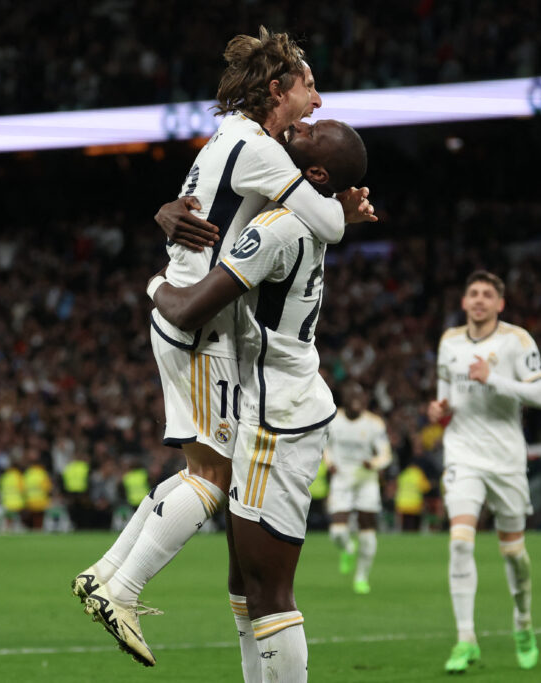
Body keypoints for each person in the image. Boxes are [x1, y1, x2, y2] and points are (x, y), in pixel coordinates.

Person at [73, 27, 375, 668]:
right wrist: (340, 207)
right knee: (210, 479)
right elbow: (324, 225)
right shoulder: (264, 155)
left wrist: (165, 223)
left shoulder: (231, 142)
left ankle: (107, 574)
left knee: (213, 492)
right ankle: (118, 587)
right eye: (309, 87)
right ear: (277, 90)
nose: (316, 102)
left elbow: (208, 205)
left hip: (203, 329)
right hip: (199, 328)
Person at [148, 118, 368, 682]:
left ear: (313, 172)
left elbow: (186, 309)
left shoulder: (276, 229)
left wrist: (153, 283)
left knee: (270, 590)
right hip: (270, 403)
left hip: (280, 416)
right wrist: (170, 214)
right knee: (244, 585)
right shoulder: (302, 217)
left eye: (310, 133)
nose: (299, 126)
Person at [427, 270, 541, 673]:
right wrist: (438, 411)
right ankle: (466, 639)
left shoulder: (516, 341)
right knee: (460, 541)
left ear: (500, 304)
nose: (479, 300)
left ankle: (523, 621)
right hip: (463, 454)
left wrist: (493, 378)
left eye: (487, 295)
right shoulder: (449, 342)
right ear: (464, 302)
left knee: (513, 553)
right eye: (473, 293)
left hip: (506, 458)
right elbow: (445, 398)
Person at [324, 382, 392, 594]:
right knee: (337, 531)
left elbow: (386, 454)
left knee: (367, 530)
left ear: (365, 401)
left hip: (366, 479)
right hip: (342, 478)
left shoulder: (374, 424)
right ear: (344, 400)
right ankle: (347, 547)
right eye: (352, 399)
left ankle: (362, 577)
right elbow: (325, 445)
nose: (357, 403)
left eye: (360, 399)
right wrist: (330, 463)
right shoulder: (333, 421)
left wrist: (373, 464)